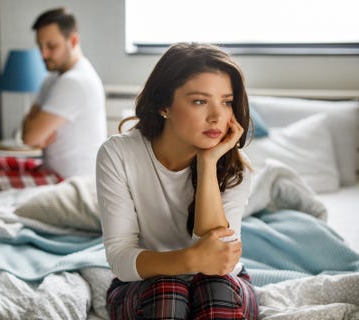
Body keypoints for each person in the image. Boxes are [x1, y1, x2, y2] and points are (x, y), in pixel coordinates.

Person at [96, 43, 258, 319]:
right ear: (163, 105)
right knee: (167, 290)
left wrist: (207, 164)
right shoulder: (118, 154)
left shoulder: (235, 168)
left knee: (214, 287)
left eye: (226, 101)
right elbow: (121, 258)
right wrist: (191, 259)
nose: (217, 116)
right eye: (200, 101)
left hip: (221, 283)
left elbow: (220, 262)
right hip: (144, 285)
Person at [22, 7, 106, 178]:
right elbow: (28, 136)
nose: (43, 54)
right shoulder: (52, 79)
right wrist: (35, 132)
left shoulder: (74, 81)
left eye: (51, 46)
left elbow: (30, 137)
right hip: (50, 172)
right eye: (40, 46)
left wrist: (36, 131)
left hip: (70, 182)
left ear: (73, 40)